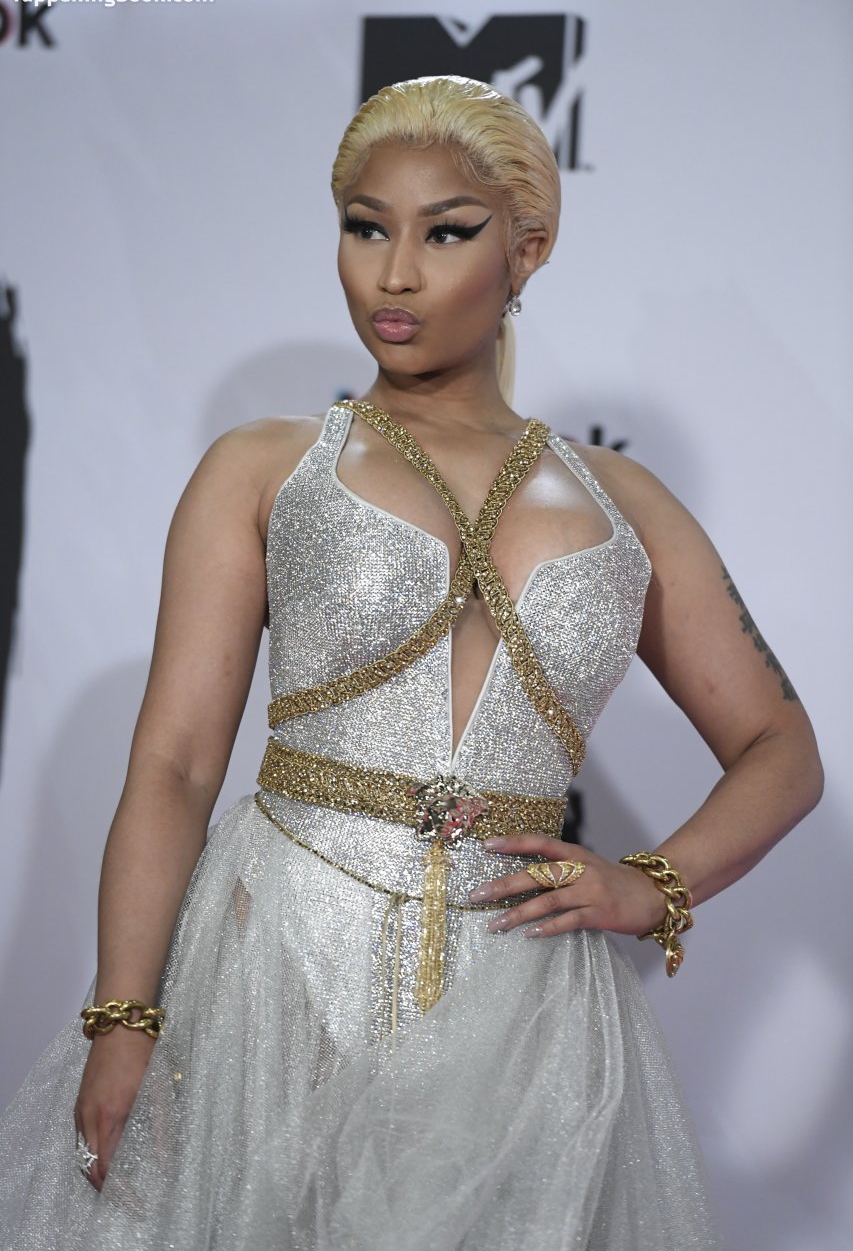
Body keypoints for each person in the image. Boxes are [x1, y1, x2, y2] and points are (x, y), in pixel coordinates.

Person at [0, 75, 822, 1250]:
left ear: (526, 250)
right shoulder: (262, 466)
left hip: (525, 1001)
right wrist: (124, 1013)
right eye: (364, 227)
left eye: (445, 232)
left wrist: (655, 883)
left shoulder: (625, 500)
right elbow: (176, 763)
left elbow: (780, 747)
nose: (393, 274)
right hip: (276, 976)